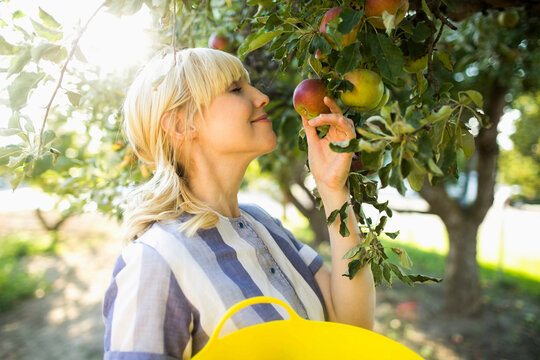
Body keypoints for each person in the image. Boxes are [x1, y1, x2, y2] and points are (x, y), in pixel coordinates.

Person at [102, 47, 375, 360]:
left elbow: (352, 326)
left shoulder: (263, 225)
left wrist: (332, 191)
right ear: (181, 125)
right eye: (235, 89)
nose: (261, 97)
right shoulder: (154, 262)